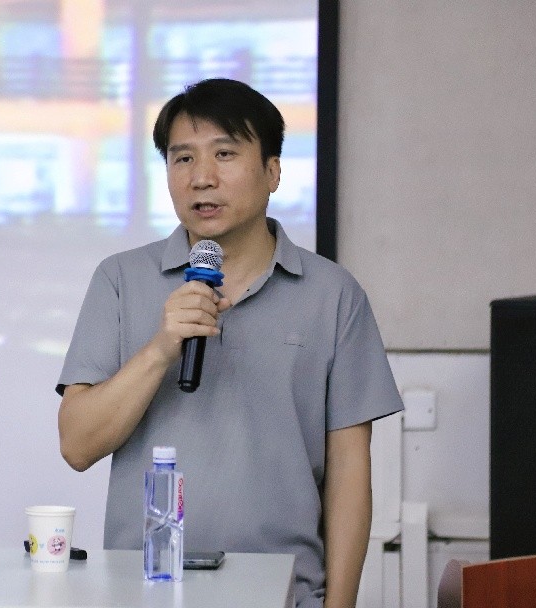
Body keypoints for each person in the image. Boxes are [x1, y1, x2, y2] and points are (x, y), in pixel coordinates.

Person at [56, 78, 403, 608]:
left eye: (224, 154)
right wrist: (160, 349)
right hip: (143, 592)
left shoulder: (333, 294)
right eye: (183, 159)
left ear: (273, 172)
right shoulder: (120, 280)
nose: (202, 178)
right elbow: (77, 446)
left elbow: (350, 475)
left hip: (283, 593)